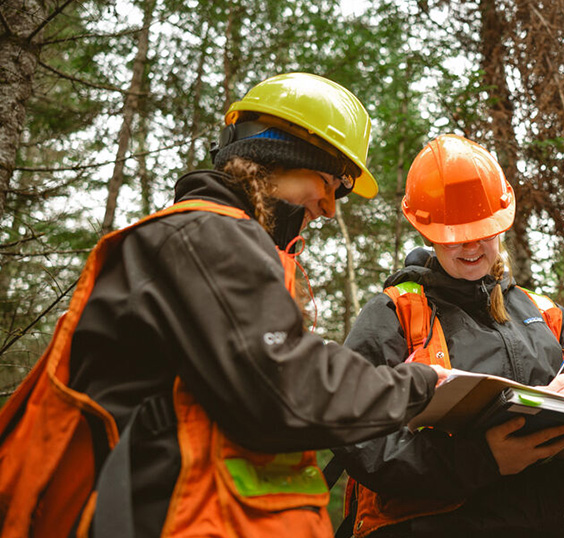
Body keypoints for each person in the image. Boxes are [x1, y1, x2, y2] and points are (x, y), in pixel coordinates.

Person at [0, 72, 447, 538]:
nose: (329, 208)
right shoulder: (207, 236)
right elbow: (283, 388)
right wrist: (421, 384)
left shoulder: (211, 244)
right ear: (283, 155)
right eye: (331, 183)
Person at [330, 134, 564, 538]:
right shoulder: (397, 312)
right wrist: (484, 459)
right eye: (455, 235)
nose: (471, 245)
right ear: (428, 231)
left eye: (483, 231)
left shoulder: (544, 314)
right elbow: (355, 435)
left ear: (501, 224)